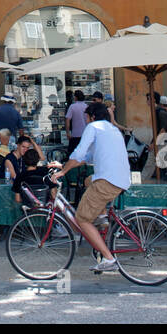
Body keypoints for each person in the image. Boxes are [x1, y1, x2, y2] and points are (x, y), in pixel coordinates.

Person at [55, 102, 129, 273]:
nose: (85, 121)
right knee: (88, 180)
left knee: (82, 219)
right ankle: (102, 217)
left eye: (86, 117)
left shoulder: (93, 127)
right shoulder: (112, 129)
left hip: (107, 181)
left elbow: (79, 152)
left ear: (92, 117)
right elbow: (86, 157)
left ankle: (109, 259)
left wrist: (63, 172)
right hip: (119, 179)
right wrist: (64, 166)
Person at [65, 91, 89, 155]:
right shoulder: (86, 106)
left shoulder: (72, 107)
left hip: (75, 134)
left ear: (75, 97)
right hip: (85, 133)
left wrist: (67, 132)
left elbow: (67, 120)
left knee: (72, 153)